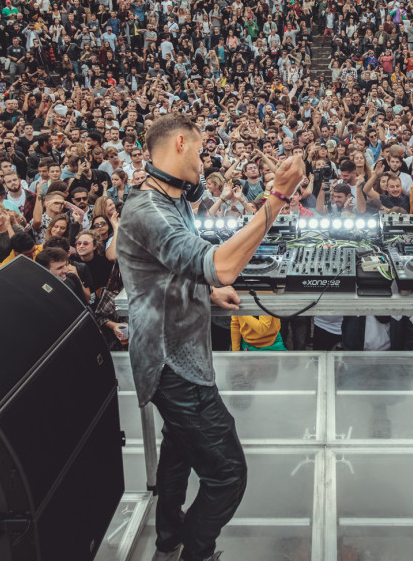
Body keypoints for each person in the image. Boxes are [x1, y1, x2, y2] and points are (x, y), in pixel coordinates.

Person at [116, 113, 304, 561]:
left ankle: (167, 539)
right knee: (227, 476)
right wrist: (277, 196)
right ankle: (196, 553)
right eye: (200, 150)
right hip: (172, 362)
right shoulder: (149, 209)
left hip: (177, 350)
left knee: (178, 454)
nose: (205, 161)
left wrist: (207, 288)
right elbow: (221, 264)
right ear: (180, 143)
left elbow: (178, 267)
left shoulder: (170, 196)